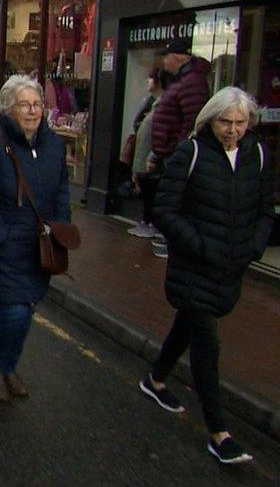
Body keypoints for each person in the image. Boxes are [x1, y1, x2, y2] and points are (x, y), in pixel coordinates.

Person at [139, 87, 275, 465]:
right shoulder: (191, 153)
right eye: (224, 122)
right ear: (209, 119)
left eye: (240, 123)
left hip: (231, 266)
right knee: (206, 342)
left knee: (189, 323)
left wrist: (254, 247)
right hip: (194, 265)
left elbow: (266, 209)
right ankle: (219, 433)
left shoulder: (259, 155)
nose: (232, 130)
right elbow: (165, 210)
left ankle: (156, 377)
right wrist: (199, 245)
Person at [0, 75, 70, 402]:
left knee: (27, 307)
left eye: (37, 104)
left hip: (39, 247)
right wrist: (0, 233)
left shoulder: (54, 146)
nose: (32, 111)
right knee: (14, 309)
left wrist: (62, 226)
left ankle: (8, 364)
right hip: (2, 245)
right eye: (24, 104)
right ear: (9, 108)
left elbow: (63, 189)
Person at [148, 38, 211, 258]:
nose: (164, 63)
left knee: (178, 200)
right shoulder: (183, 79)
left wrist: (180, 150)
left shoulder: (192, 81)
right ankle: (170, 239)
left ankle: (175, 242)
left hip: (179, 154)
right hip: (171, 152)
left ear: (176, 57)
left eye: (166, 57)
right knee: (170, 198)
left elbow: (193, 121)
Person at [128, 69, 169, 239]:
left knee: (150, 191)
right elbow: (137, 122)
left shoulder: (163, 105)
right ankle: (146, 221)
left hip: (150, 157)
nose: (147, 80)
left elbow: (161, 132)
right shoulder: (152, 103)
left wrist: (155, 155)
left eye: (150, 78)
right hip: (144, 155)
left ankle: (151, 222)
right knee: (146, 190)